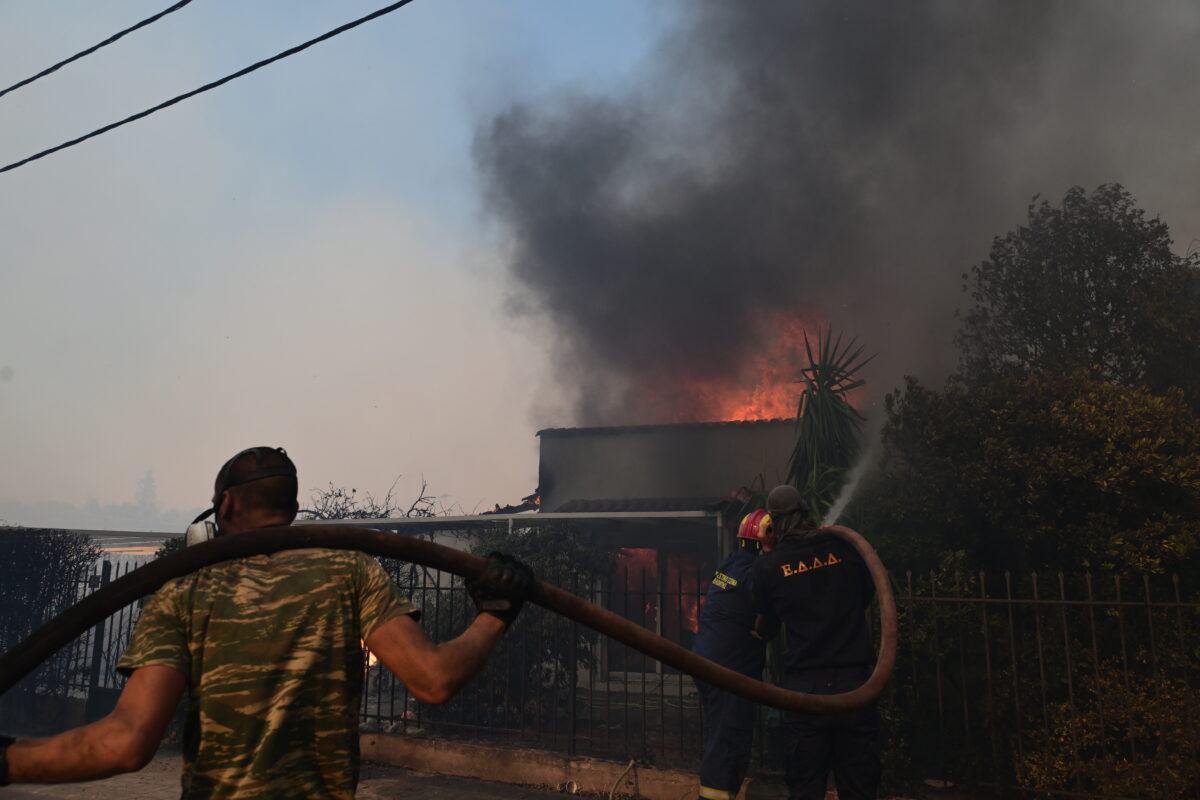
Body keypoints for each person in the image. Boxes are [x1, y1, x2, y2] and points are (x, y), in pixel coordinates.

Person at [0, 446, 533, 798]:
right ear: (293, 506)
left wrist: (10, 761)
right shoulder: (349, 570)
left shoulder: (186, 589)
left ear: (226, 505)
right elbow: (434, 680)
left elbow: (127, 742)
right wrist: (495, 614)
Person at [752, 485, 879, 800]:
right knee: (859, 786)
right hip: (856, 686)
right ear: (804, 510)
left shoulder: (765, 565)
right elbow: (866, 594)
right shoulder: (844, 546)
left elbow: (765, 623)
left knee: (806, 786)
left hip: (806, 691)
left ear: (771, 525)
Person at [691, 509, 776, 800]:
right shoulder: (755, 575)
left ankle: (724, 792)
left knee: (725, 736)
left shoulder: (730, 566)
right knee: (727, 741)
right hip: (728, 670)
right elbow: (770, 613)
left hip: (708, 662)